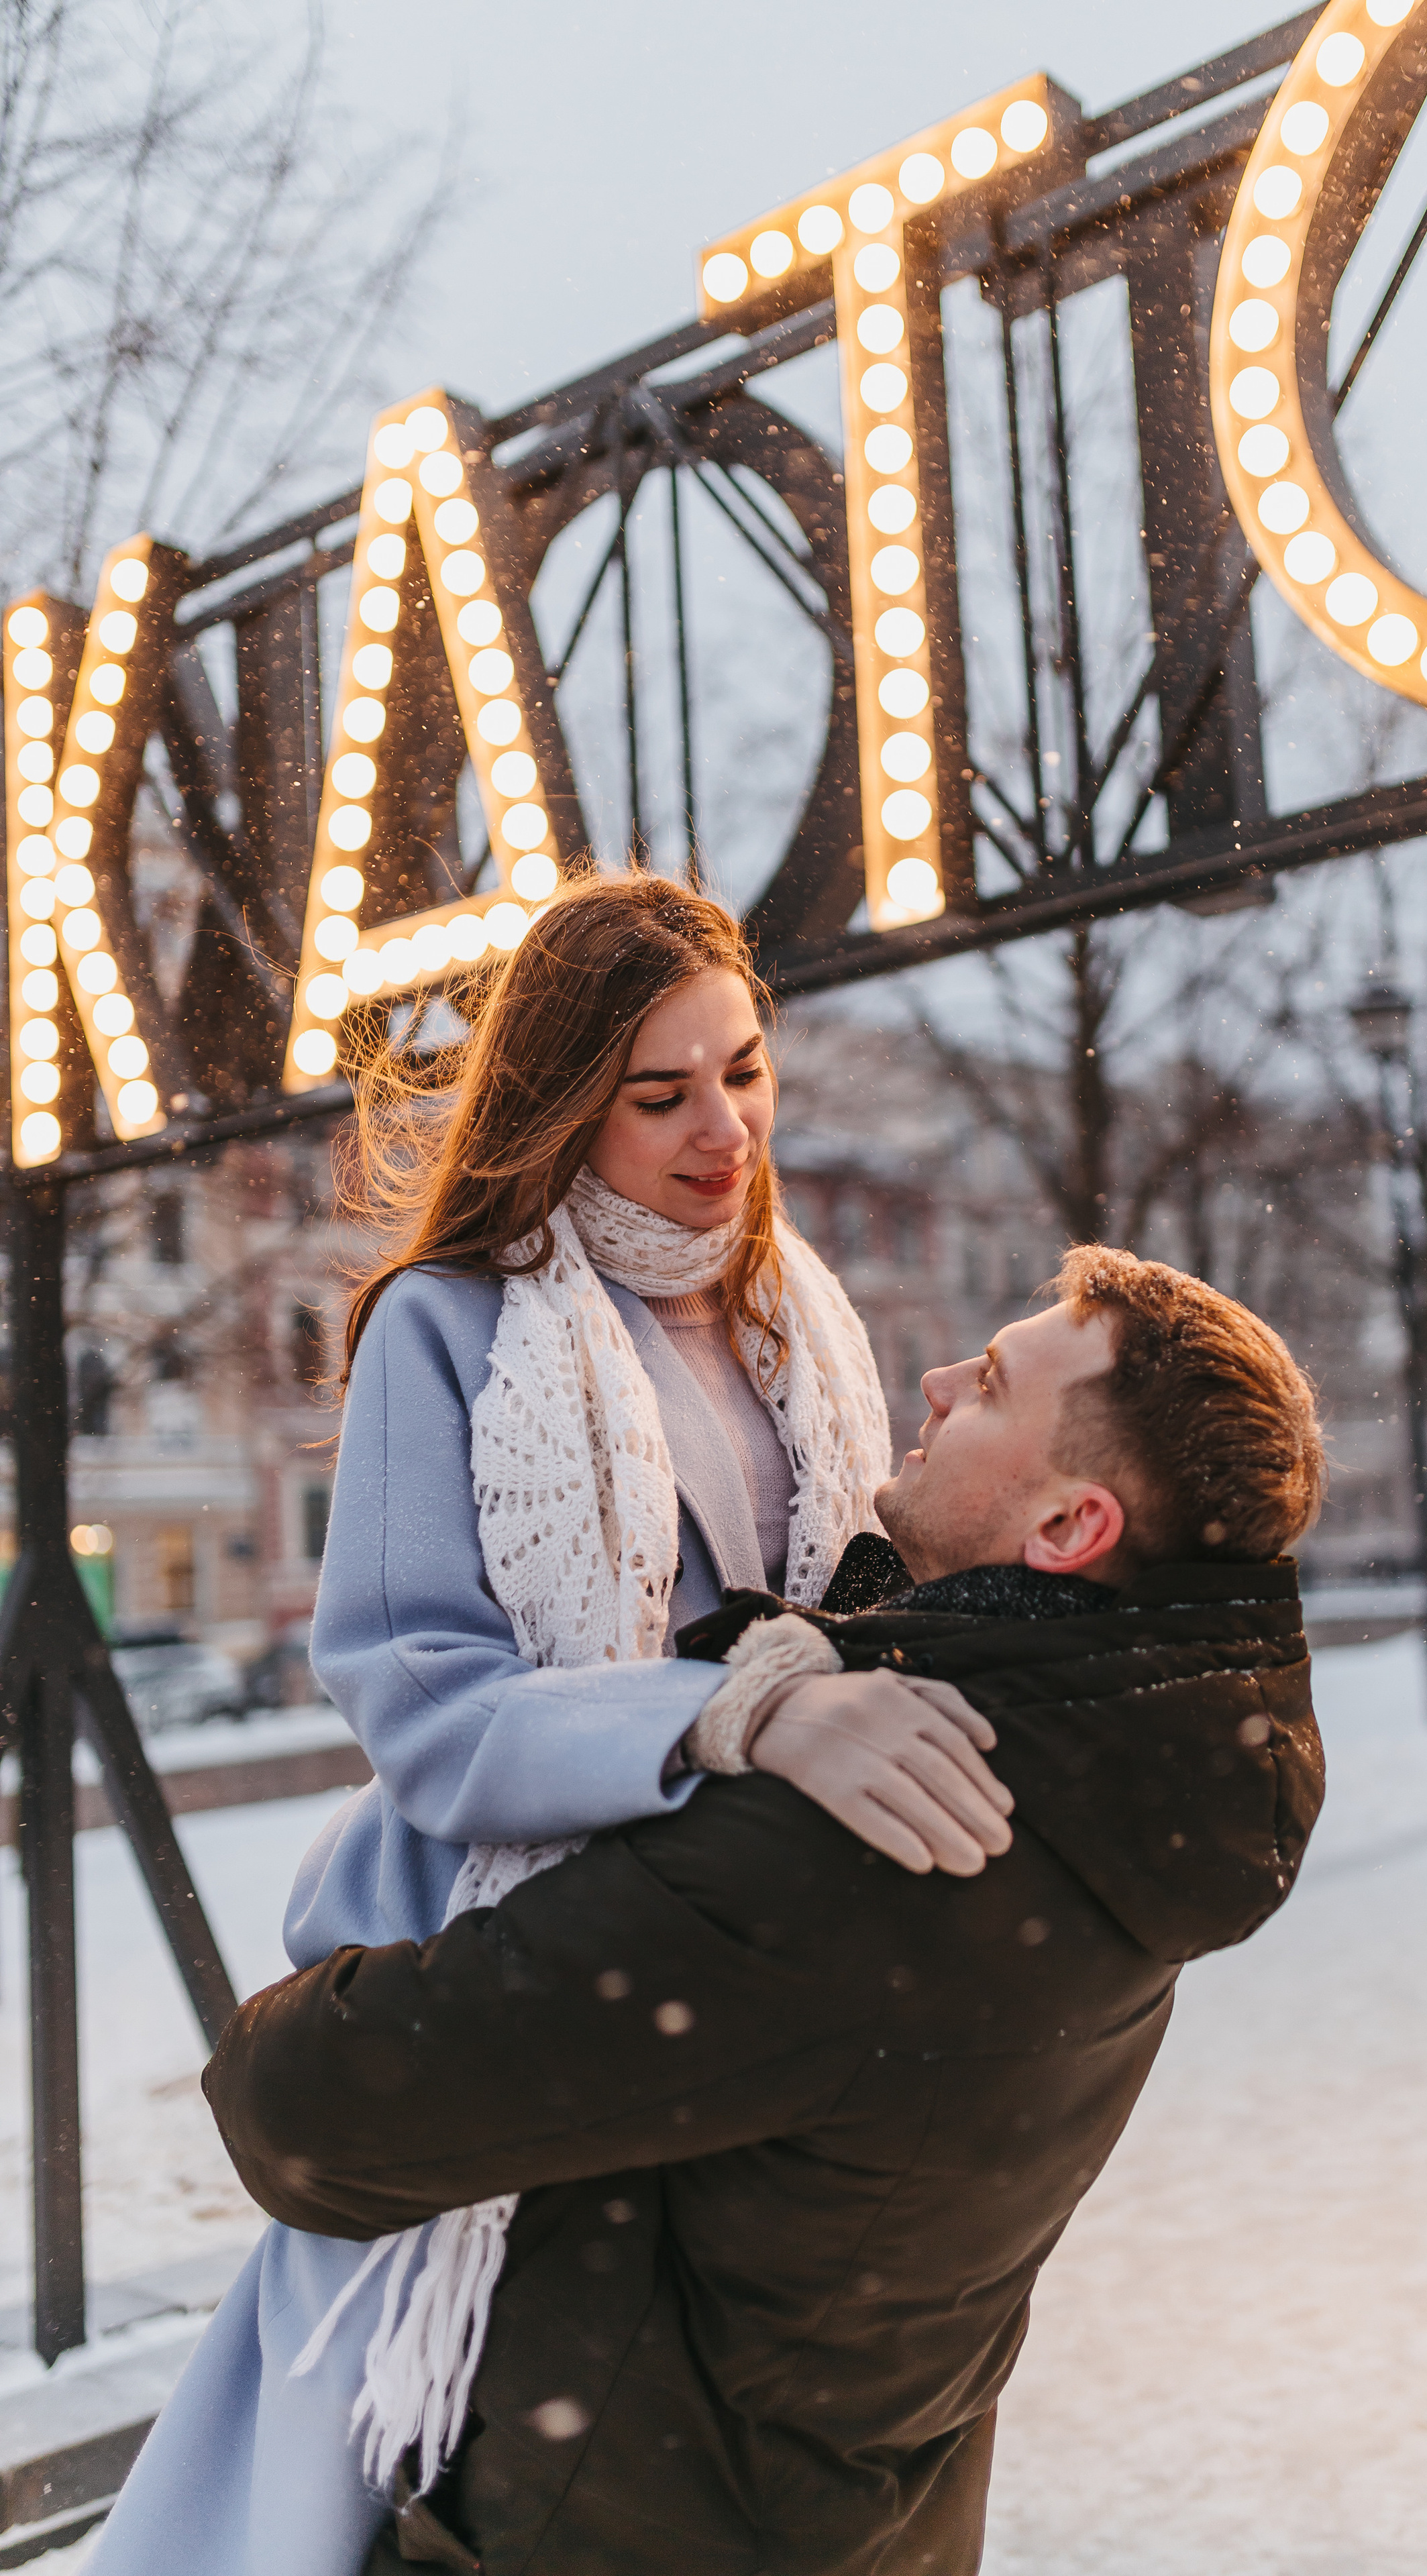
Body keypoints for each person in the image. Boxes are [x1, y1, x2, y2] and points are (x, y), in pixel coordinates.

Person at [91, 874, 1014, 2576]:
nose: (720, 1129)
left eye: (741, 1071)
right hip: (505, 1984)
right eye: (656, 1095)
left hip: (731, 1970)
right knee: (358, 2472)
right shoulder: (448, 1326)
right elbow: (427, 1710)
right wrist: (738, 1719)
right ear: (560, 1105)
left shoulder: (801, 1316)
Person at [207, 1245, 1328, 2576]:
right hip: (846, 2518)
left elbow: (304, 2111)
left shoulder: (868, 1849)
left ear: (1067, 1529)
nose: (926, 1382)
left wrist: (367, 1922)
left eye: (984, 1387)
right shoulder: (1127, 1775)